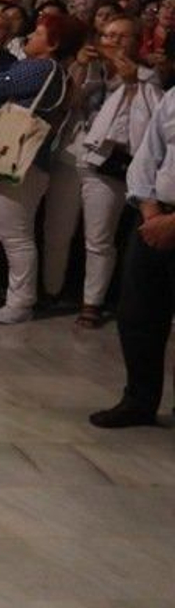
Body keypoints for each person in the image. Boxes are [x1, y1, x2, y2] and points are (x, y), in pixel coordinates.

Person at [0, 10, 83, 323]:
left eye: (38, 34)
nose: (30, 37)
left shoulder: (44, 68)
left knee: (15, 234)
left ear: (53, 44)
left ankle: (21, 301)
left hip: (24, 161)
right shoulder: (30, 65)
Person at [46, 14, 159, 326]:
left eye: (123, 36)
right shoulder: (91, 68)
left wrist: (132, 83)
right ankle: (51, 290)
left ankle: (91, 303)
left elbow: (145, 126)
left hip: (108, 162)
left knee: (98, 238)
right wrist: (80, 66)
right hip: (70, 155)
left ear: (137, 42)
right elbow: (67, 103)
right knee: (57, 231)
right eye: (109, 35)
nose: (114, 42)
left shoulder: (147, 77)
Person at [91, 85, 175, 428]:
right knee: (138, 314)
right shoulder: (173, 97)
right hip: (155, 216)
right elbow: (148, 155)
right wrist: (150, 210)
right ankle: (139, 399)